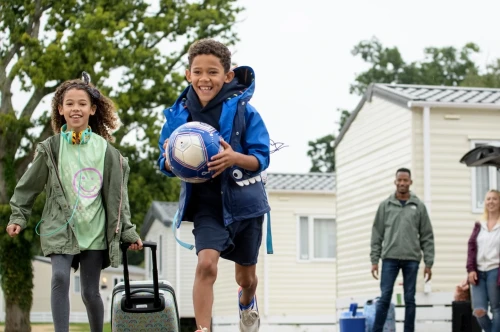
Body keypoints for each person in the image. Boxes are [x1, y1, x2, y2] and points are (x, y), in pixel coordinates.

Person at [6, 73, 143, 332]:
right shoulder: (51, 148)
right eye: (69, 103)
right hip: (60, 227)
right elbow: (29, 185)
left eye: (81, 103)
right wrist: (18, 217)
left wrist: (128, 231)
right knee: (59, 276)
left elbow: (119, 198)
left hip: (94, 229)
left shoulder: (108, 152)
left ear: (92, 109)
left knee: (90, 292)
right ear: (60, 109)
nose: (75, 108)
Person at [158, 39, 270, 332]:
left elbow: (261, 158)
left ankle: (246, 301)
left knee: (245, 278)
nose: (204, 79)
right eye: (198, 72)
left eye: (212, 72)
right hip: (207, 205)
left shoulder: (246, 112)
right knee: (206, 265)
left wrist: (234, 158)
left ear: (228, 76)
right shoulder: (176, 117)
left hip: (245, 204)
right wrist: (170, 161)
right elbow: (164, 161)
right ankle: (203, 329)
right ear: (188, 74)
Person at [370, 168, 435, 332]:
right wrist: (374, 260)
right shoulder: (385, 206)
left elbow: (427, 235)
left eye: (405, 180)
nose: (402, 183)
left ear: (410, 182)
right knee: (384, 298)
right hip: (389, 258)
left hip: (411, 259)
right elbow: (377, 233)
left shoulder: (419, 206)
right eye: (399, 180)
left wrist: (428, 263)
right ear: (395, 182)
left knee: (409, 299)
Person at [466, 189, 500, 332]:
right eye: (488, 199)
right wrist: (471, 269)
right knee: (479, 311)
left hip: (495, 270)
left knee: (497, 309)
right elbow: (471, 246)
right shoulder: (480, 224)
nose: (491, 201)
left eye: (494, 199)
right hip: (478, 272)